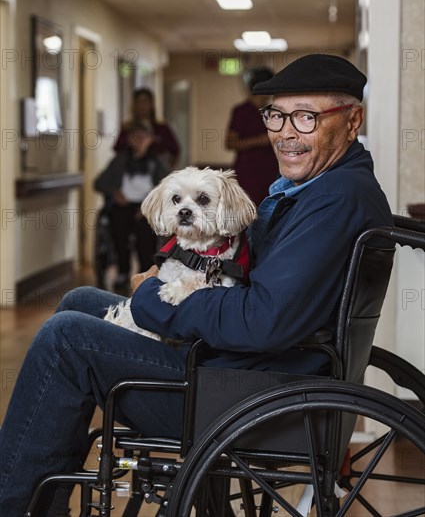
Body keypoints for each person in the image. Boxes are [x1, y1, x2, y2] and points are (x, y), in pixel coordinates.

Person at [0, 54, 393, 516]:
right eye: (276, 115)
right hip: (251, 370)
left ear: (352, 121)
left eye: (306, 117)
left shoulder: (335, 199)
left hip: (249, 394)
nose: (286, 132)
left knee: (63, 337)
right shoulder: (323, 187)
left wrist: (150, 299)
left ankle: (14, 504)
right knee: (79, 301)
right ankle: (42, 500)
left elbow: (262, 320)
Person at [94, 122, 168, 293]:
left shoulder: (157, 161)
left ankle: (145, 271)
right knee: (118, 227)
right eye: (135, 136)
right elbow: (99, 183)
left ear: (150, 140)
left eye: (144, 137)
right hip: (123, 205)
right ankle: (123, 269)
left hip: (146, 208)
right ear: (129, 139)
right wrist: (114, 193)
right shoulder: (120, 160)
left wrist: (147, 206)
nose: (139, 140)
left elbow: (167, 188)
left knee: (146, 233)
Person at [225, 67, 279, 206]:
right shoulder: (242, 111)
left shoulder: (272, 111)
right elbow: (230, 143)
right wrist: (259, 140)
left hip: (271, 170)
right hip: (248, 172)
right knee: (248, 210)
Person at [114, 87, 180, 171]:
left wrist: (167, 170)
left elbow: (175, 151)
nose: (142, 105)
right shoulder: (127, 128)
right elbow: (118, 150)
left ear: (151, 104)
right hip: (130, 172)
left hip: (156, 174)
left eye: (145, 101)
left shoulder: (163, 128)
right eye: (138, 102)